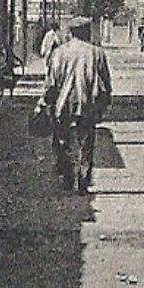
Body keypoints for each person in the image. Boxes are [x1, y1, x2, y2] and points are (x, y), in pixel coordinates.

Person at [38, 15, 114, 195]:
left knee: (62, 140)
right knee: (86, 142)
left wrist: (45, 101)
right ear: (87, 32)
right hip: (87, 103)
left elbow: (51, 82)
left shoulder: (59, 53)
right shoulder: (97, 53)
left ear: (71, 32)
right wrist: (103, 105)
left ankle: (67, 177)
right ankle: (83, 180)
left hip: (62, 103)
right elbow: (106, 83)